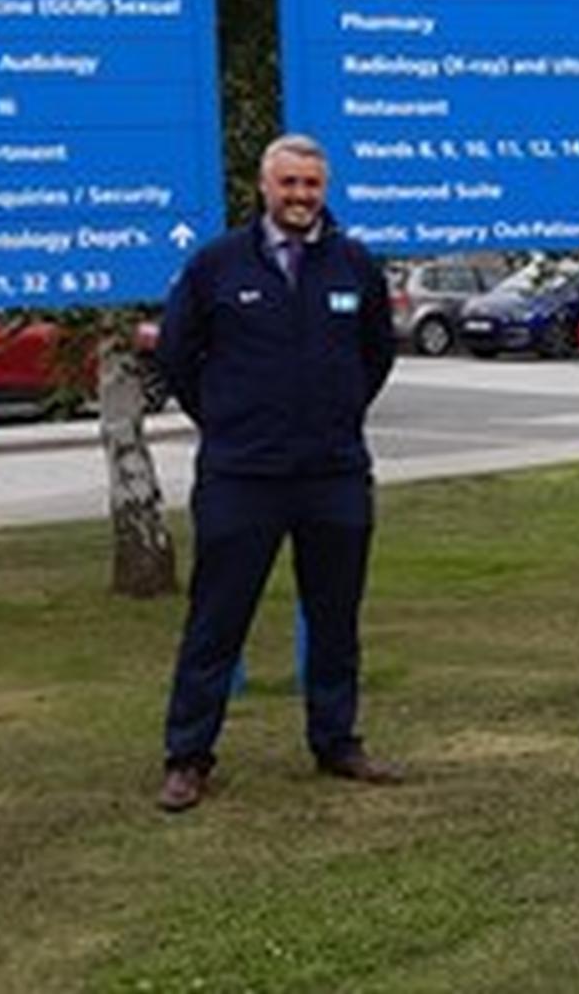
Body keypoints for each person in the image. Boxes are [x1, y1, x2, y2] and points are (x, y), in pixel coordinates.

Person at [152, 134, 400, 811]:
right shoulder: (216, 264)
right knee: (216, 618)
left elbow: (376, 355)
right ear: (264, 187)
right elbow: (177, 356)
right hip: (242, 475)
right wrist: (230, 420)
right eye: (288, 184)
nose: (299, 197)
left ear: (325, 189)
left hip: (333, 473)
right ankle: (188, 756)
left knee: (334, 616)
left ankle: (335, 740)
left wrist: (336, 411)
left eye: (311, 185)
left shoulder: (353, 264)